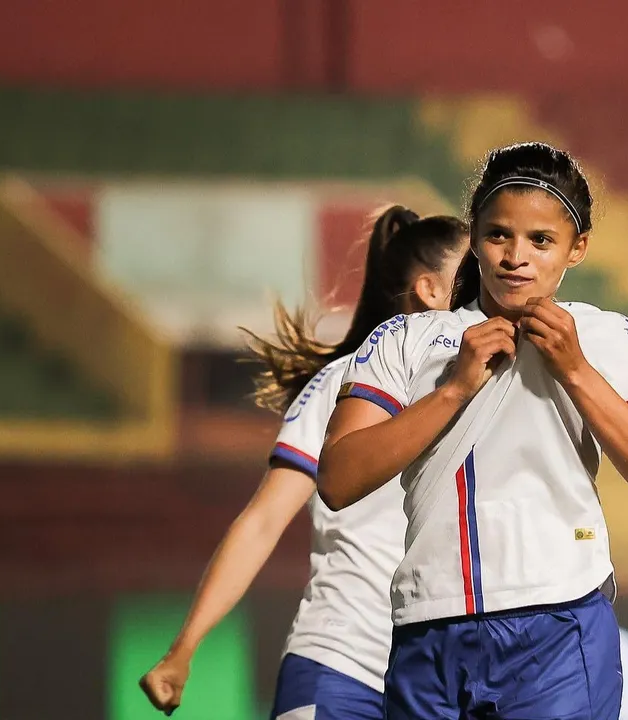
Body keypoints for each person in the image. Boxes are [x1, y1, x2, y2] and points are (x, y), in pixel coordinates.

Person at [319, 142, 628, 719]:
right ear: (474, 234)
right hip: (427, 629)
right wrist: (453, 389)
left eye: (541, 240)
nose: (516, 256)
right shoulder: (406, 340)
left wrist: (575, 369)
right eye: (499, 235)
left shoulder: (607, 336)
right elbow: (337, 479)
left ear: (577, 248)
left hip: (559, 629)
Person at [138, 206, 470, 719]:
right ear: (430, 291)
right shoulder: (343, 381)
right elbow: (264, 520)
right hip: (344, 666)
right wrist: (183, 649)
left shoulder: (494, 385)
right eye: (473, 275)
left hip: (442, 686)